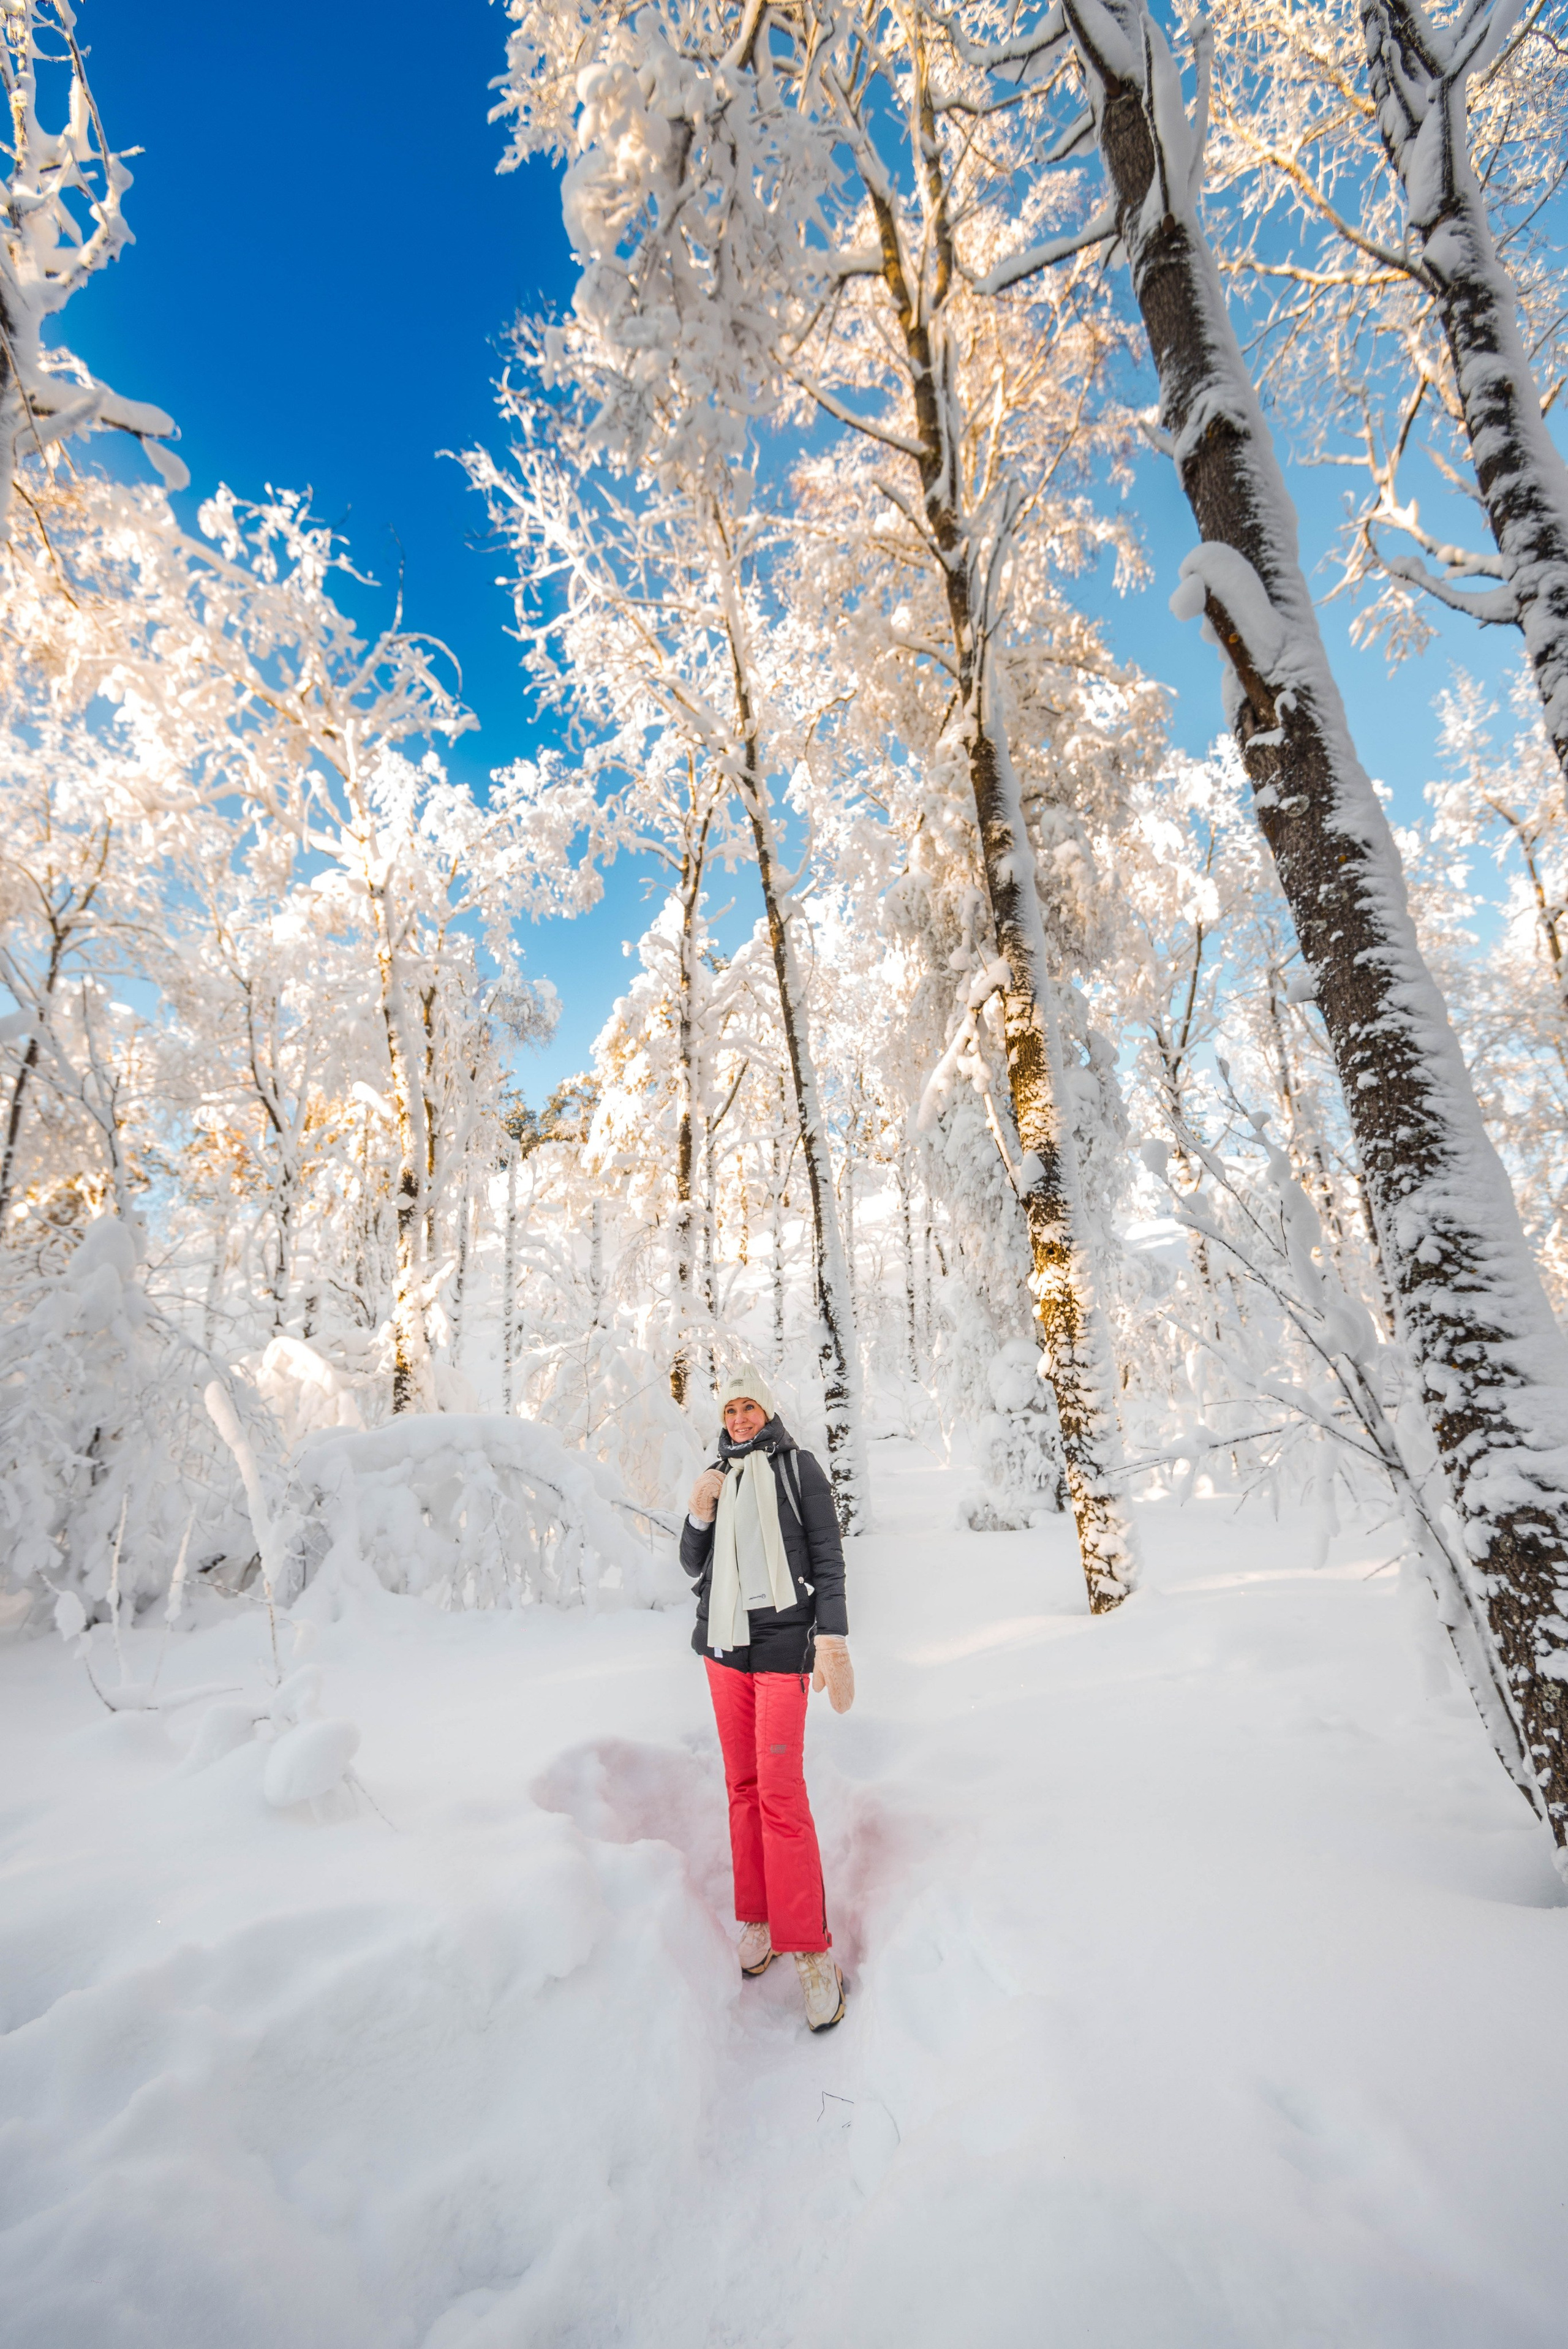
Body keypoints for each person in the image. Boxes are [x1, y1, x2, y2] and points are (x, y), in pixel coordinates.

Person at [681, 1368, 855, 2032]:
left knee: (780, 1792)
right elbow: (691, 1565)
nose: (739, 1419)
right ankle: (758, 1918)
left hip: (784, 1646)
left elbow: (827, 1555)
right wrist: (699, 1513)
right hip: (724, 1649)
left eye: (749, 1406)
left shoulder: (797, 1467)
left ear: (768, 1410)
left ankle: (810, 1950)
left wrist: (832, 1636)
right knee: (743, 1786)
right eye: (729, 1409)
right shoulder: (715, 1475)